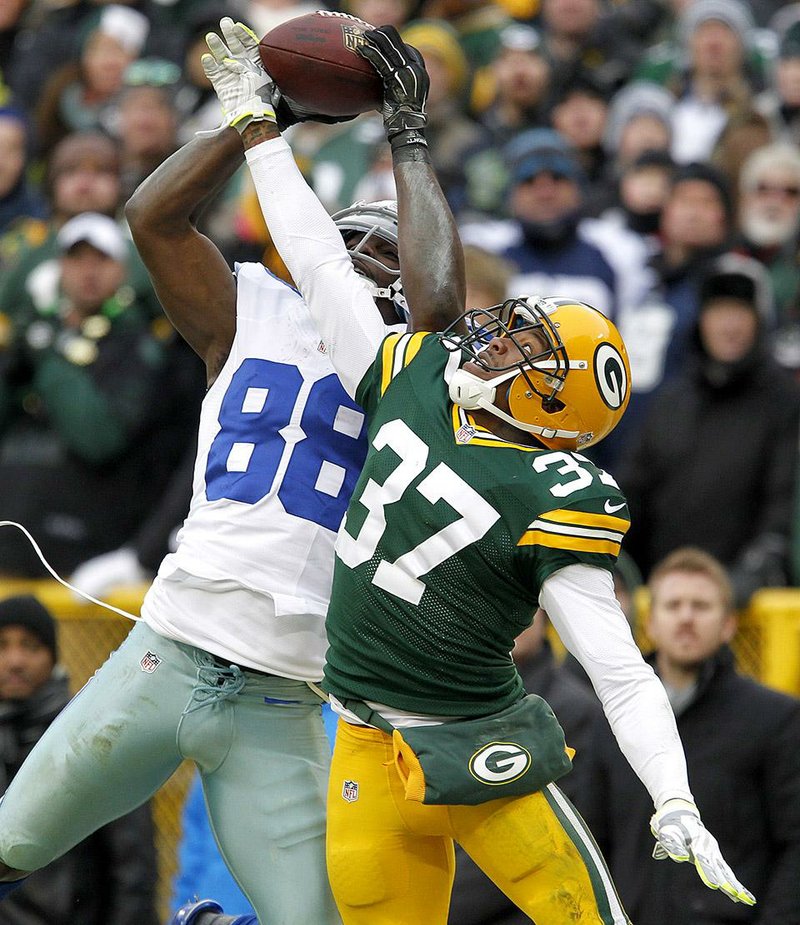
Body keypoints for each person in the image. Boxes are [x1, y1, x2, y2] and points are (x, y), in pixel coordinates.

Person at [208, 22, 753, 925]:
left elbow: (620, 674)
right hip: (362, 744)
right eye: (519, 324)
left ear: (557, 406)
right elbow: (311, 253)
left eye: (529, 347)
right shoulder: (414, 370)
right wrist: (261, 136)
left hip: (478, 750)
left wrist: (675, 795)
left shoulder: (560, 495)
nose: (499, 335)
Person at [0, 18, 455, 925]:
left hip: (280, 696)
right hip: (164, 649)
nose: (366, 266)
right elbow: (151, 216)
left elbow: (441, 301)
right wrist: (263, 115)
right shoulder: (254, 308)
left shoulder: (416, 367)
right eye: (351, 245)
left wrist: (408, 136)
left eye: (386, 255)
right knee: (9, 842)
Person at [582, 548, 800, 924]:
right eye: (673, 605)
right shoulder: (610, 719)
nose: (686, 617)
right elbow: (593, 841)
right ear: (650, 621)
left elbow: (795, 845)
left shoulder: (775, 718)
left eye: (700, 606)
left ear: (729, 624)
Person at [0, 211, 192, 577]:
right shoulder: (33, 331)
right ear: (60, 267)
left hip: (79, 544)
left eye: (100, 259)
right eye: (77, 259)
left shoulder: (137, 344)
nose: (88, 271)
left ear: (121, 269)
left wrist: (46, 353)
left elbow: (98, 437)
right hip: (13, 528)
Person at [0, 594, 158, 925]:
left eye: (30, 646)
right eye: (2, 645)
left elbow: (132, 867)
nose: (14, 660)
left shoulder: (91, 735)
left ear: (53, 656)